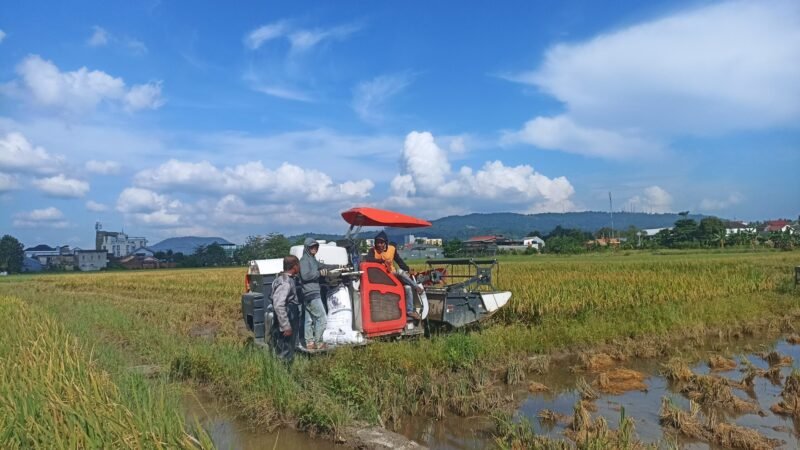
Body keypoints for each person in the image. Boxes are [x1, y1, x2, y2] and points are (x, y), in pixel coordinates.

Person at [364, 231, 422, 320]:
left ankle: (409, 311)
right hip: (382, 277)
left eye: (381, 243)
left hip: (392, 275)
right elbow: (368, 260)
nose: (379, 245)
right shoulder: (372, 251)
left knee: (407, 287)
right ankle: (416, 287)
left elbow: (399, 261)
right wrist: (382, 261)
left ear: (385, 243)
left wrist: (408, 269)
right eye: (377, 242)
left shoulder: (392, 249)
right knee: (399, 272)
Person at [299, 238, 339, 350]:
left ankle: (309, 343)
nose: (314, 248)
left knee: (309, 320)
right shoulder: (304, 260)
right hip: (311, 293)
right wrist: (319, 273)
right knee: (322, 317)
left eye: (316, 246)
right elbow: (305, 276)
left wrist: (338, 266)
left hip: (308, 293)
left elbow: (323, 265)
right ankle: (319, 342)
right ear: (307, 248)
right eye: (312, 247)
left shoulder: (312, 259)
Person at [271, 255, 301, 363]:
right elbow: (279, 304)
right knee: (286, 346)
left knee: (282, 345)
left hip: (286, 313)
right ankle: (284, 372)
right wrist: (285, 326)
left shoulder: (279, 279)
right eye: (299, 265)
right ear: (294, 266)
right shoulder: (285, 282)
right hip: (288, 313)